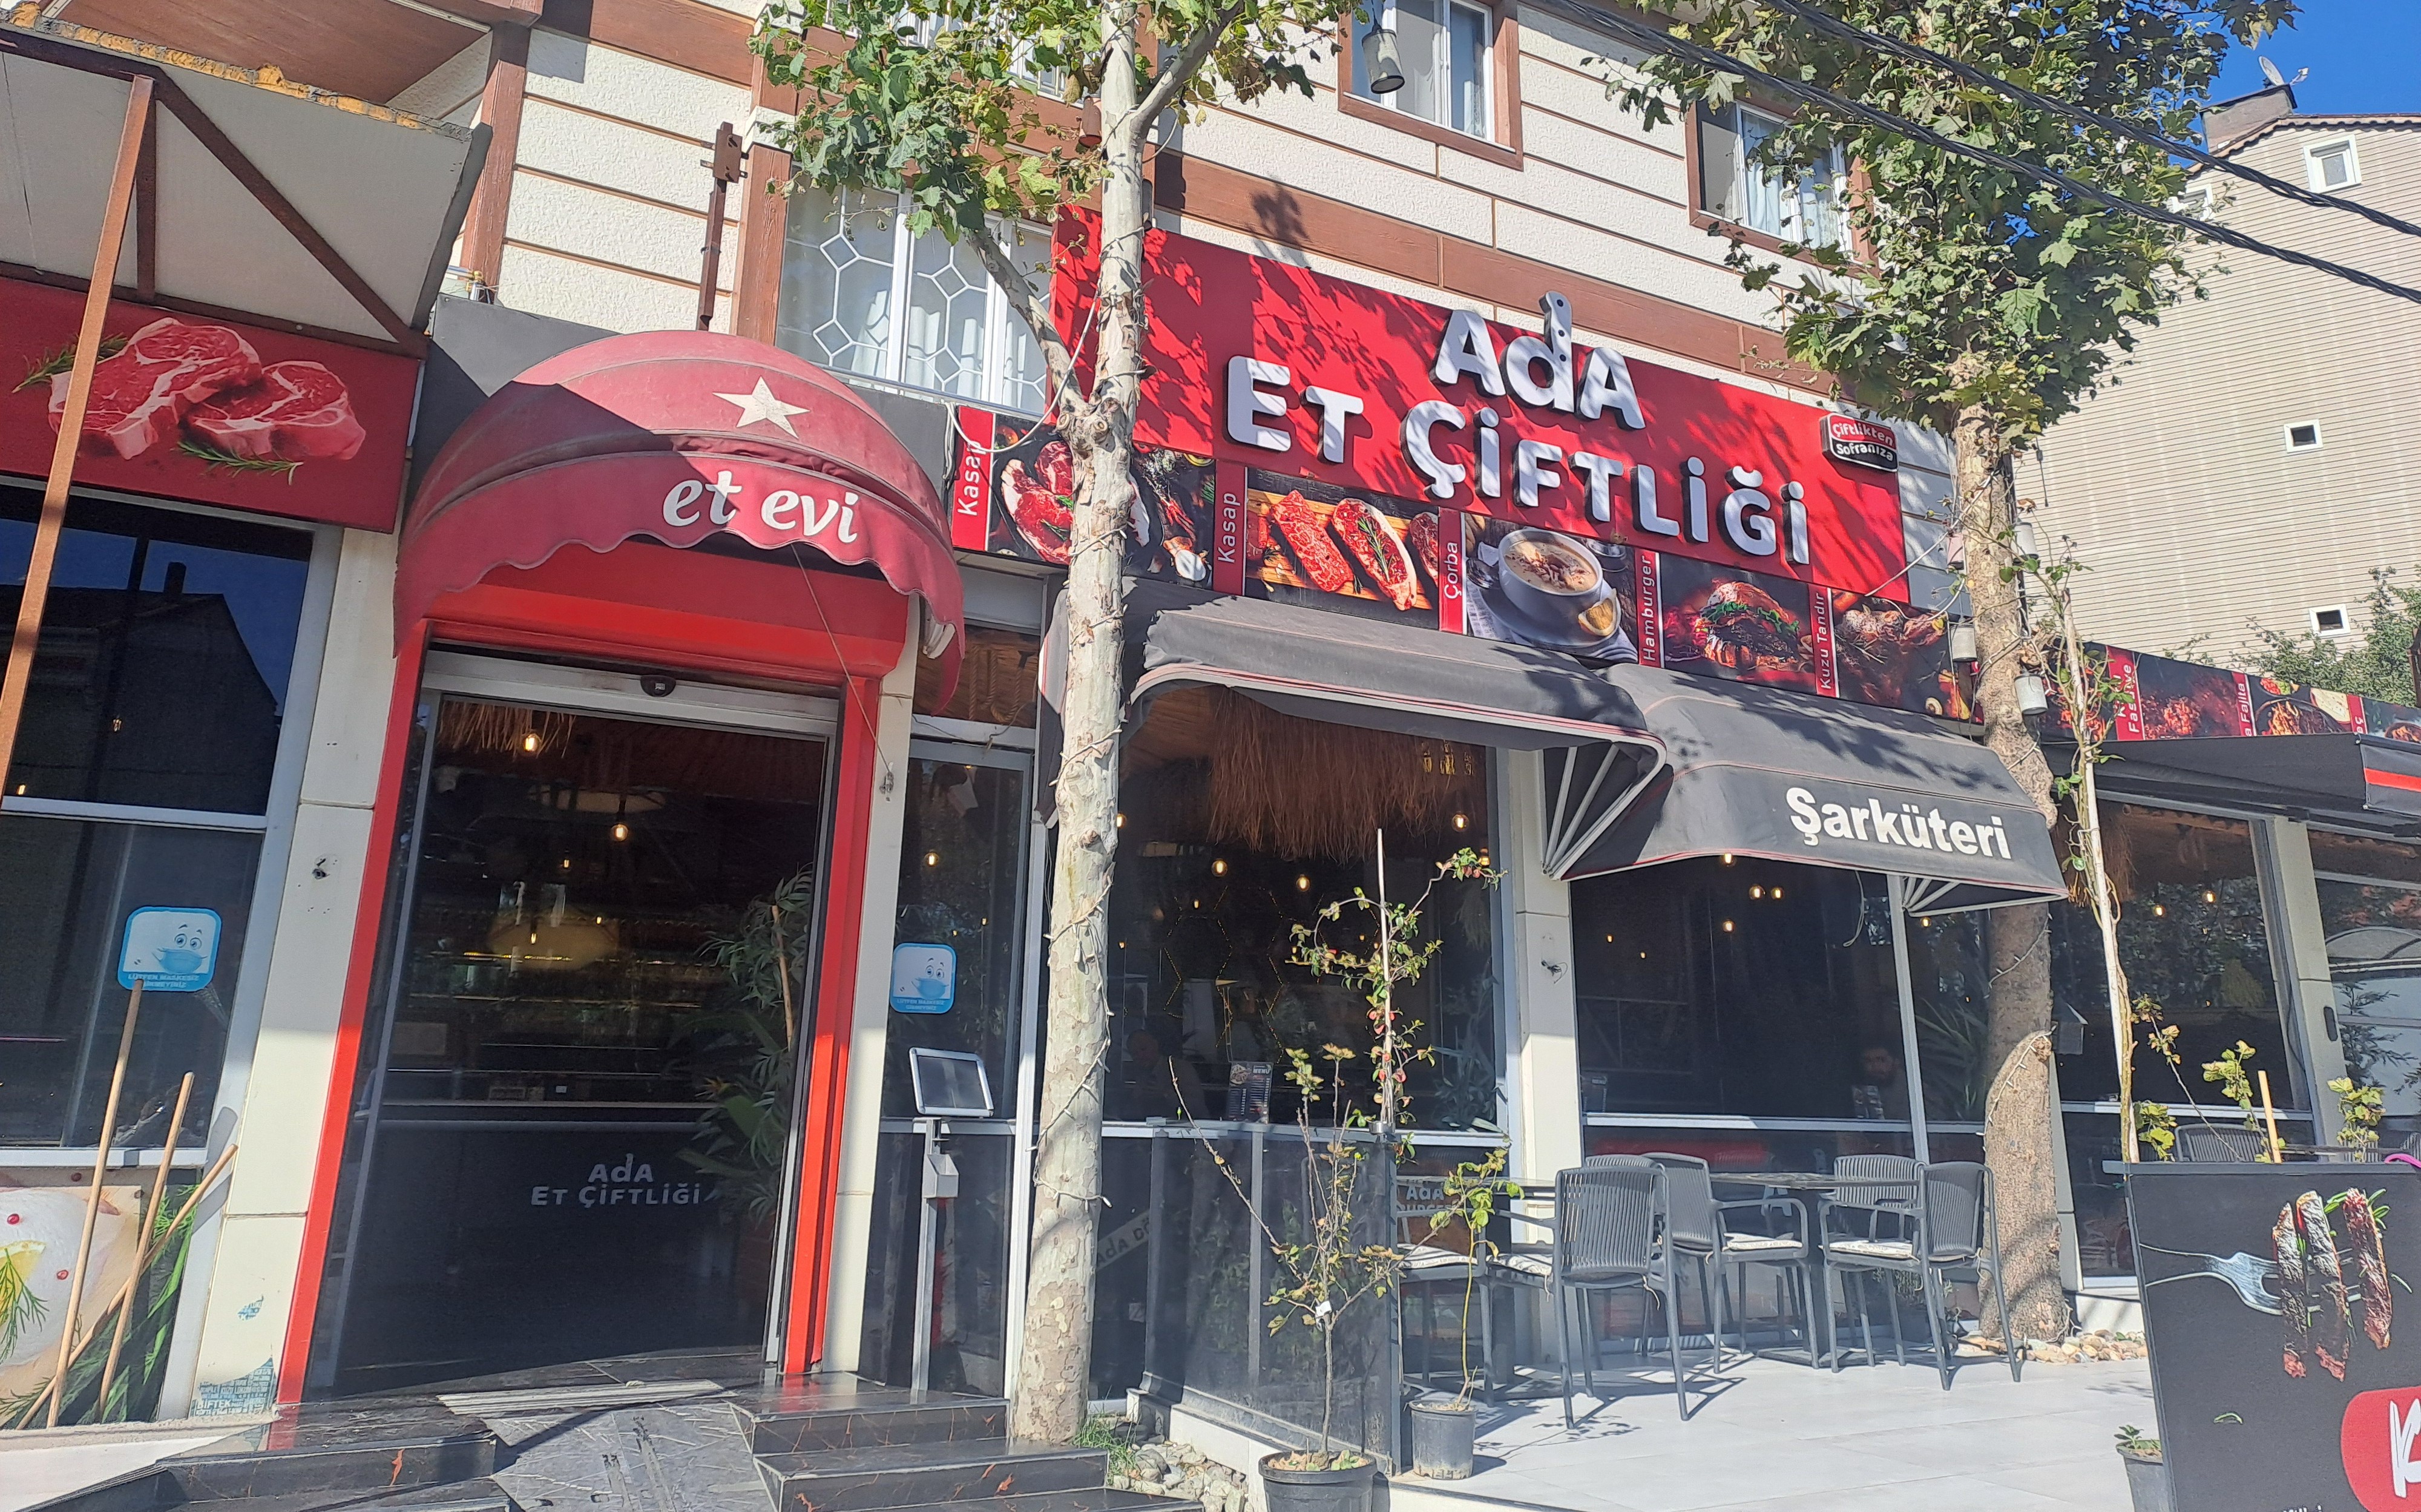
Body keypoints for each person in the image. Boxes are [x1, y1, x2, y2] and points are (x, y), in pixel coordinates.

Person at [1853, 1042, 1911, 1121]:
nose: (1875, 1066)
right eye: (1868, 1061)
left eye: (1881, 1060)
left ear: (1896, 1062)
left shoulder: (1914, 1090)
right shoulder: (1859, 1089)